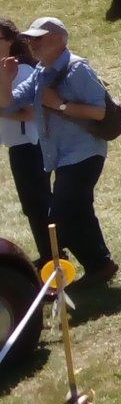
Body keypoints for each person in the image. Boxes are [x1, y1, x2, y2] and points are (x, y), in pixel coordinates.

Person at [7, 19, 116, 283]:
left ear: (58, 39)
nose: (32, 44)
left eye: (38, 39)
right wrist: (4, 80)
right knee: (78, 210)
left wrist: (60, 105)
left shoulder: (78, 68)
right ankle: (100, 265)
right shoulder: (40, 72)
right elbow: (9, 105)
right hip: (62, 155)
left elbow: (99, 111)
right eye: (30, 39)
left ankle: (97, 264)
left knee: (60, 216)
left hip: (85, 151)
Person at [1, 19, 49, 266]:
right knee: (31, 204)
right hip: (16, 146)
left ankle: (54, 255)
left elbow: (30, 112)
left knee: (38, 202)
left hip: (30, 146)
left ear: (10, 42)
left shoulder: (22, 71)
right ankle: (49, 253)